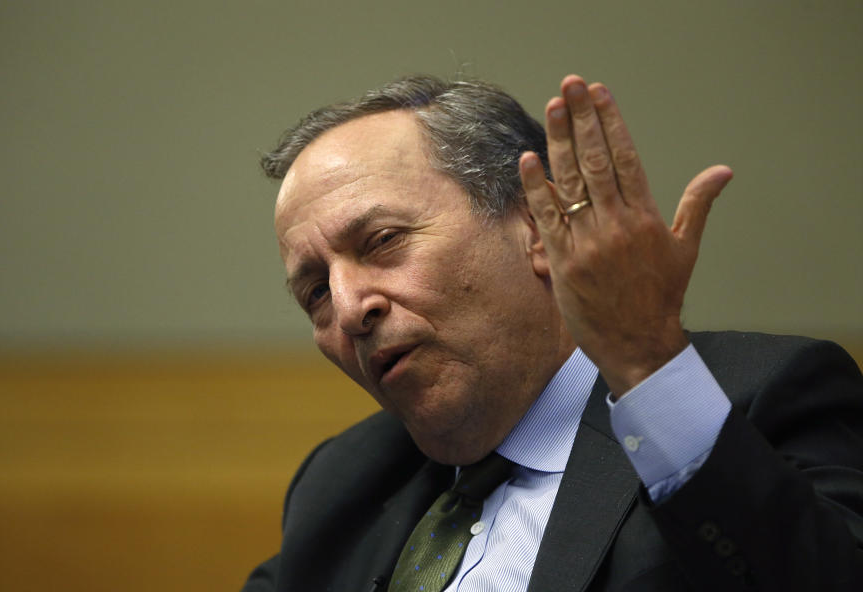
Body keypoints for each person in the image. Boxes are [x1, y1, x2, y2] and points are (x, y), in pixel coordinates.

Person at [242, 74, 863, 591]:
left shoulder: (757, 399)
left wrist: (649, 365)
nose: (350, 310)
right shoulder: (342, 485)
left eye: (383, 242)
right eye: (316, 292)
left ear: (537, 226)